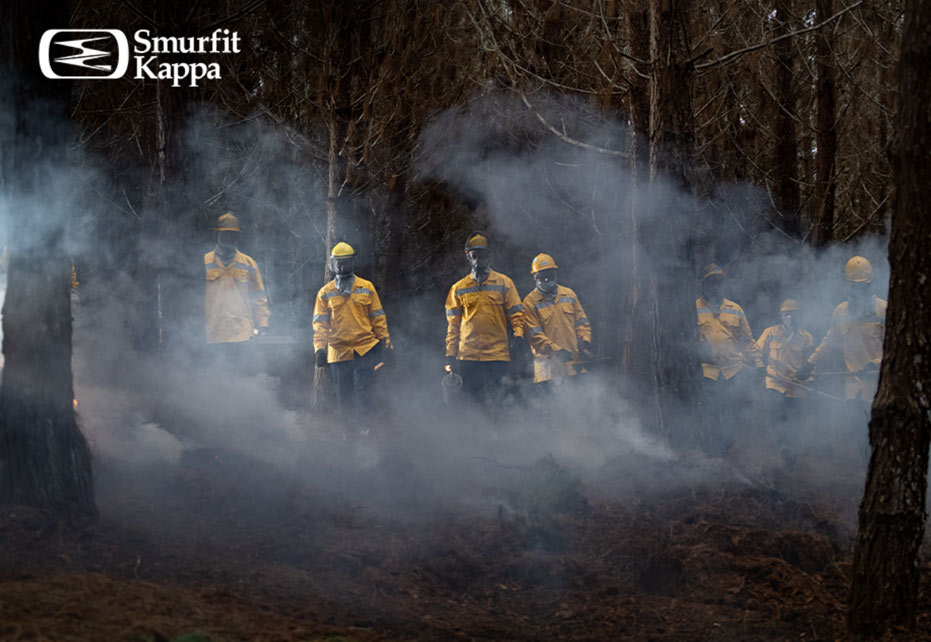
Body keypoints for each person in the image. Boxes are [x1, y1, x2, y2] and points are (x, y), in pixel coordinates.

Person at [444, 232, 525, 408]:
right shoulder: (458, 288)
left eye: (483, 255)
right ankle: (476, 434)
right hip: (468, 355)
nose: (478, 260)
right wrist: (451, 354)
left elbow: (517, 314)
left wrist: (518, 335)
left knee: (501, 400)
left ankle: (501, 434)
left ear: (489, 256)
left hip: (497, 354)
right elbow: (453, 326)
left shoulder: (504, 283)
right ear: (468, 257)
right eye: (474, 255)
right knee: (472, 403)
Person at [313, 242, 391, 421]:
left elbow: (378, 318)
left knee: (364, 392)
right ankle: (349, 431)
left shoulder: (366, 287)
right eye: (338, 262)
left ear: (353, 262)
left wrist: (385, 343)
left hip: (365, 348)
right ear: (332, 264)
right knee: (343, 395)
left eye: (345, 262)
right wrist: (319, 349)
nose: (341, 266)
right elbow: (320, 325)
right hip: (338, 352)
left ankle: (365, 427)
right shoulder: (325, 292)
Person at [696, 263, 764, 455]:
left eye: (719, 282)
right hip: (707, 371)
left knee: (732, 411)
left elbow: (748, 340)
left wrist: (759, 364)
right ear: (704, 284)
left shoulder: (735, 309)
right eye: (712, 282)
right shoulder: (693, 308)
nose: (716, 286)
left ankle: (725, 447)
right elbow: (688, 339)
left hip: (733, 371)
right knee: (712, 411)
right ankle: (713, 450)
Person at [797, 256, 886, 403]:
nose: (859, 292)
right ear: (848, 287)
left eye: (863, 287)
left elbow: (894, 351)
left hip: (878, 391)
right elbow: (829, 342)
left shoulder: (884, 310)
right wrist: (809, 364)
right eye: (855, 287)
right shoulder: (841, 312)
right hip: (852, 392)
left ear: (870, 286)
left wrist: (875, 364)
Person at [521, 253, 593, 392]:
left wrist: (585, 342)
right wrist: (557, 351)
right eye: (542, 275)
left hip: (575, 366)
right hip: (548, 371)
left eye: (549, 273)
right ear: (535, 277)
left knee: (580, 409)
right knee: (551, 411)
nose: (547, 278)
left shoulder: (569, 294)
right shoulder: (530, 302)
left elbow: (581, 322)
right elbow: (535, 335)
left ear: (555, 273)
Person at [755, 299, 815, 461]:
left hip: (796, 385)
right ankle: (783, 446)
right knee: (778, 415)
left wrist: (810, 379)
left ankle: (792, 448)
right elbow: (755, 351)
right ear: (780, 315)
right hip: (775, 382)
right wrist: (759, 365)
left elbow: (811, 363)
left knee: (794, 418)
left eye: (794, 314)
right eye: (786, 314)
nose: (790, 317)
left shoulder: (807, 337)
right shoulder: (770, 333)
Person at [204, 213, 270, 344]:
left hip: (242, 335)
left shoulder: (248, 263)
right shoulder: (205, 262)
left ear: (237, 237)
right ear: (216, 235)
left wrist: (263, 325)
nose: (228, 238)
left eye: (232, 235)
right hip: (213, 334)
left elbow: (258, 296)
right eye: (225, 234)